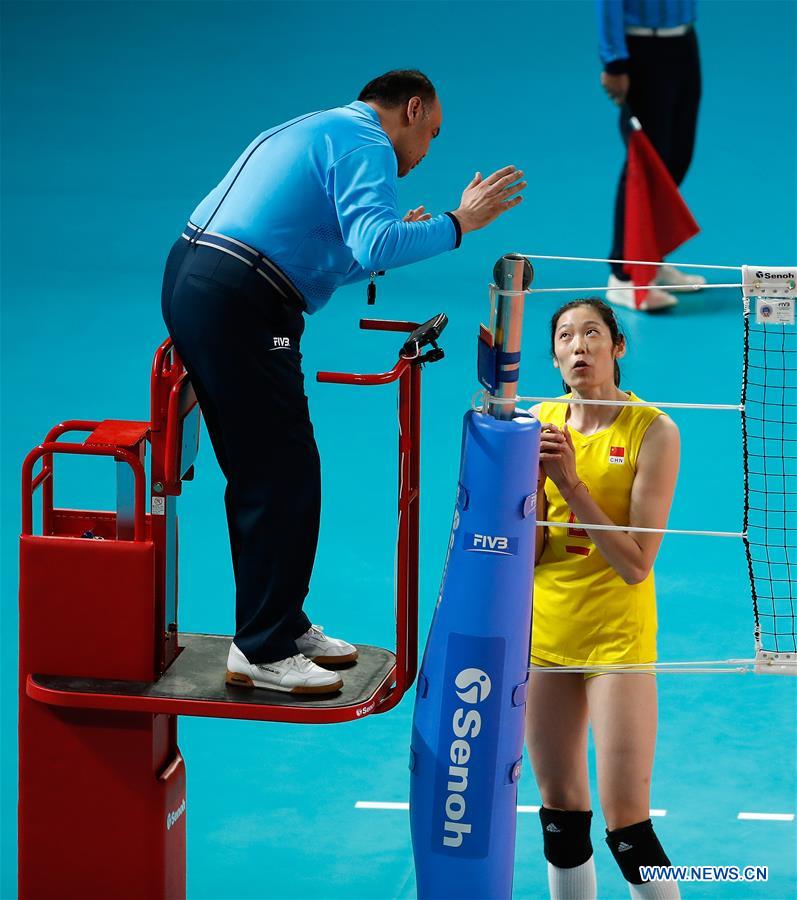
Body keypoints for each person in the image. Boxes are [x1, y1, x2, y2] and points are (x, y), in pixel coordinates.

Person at [161, 70, 526, 695]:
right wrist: (460, 222)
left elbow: (327, 256)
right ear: (410, 109)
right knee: (278, 473)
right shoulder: (367, 144)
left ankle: (279, 623)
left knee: (278, 469)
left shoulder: (321, 127)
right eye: (431, 134)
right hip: (239, 299)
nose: (426, 151)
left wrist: (403, 240)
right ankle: (262, 647)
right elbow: (374, 237)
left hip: (213, 283)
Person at [527, 299, 682, 899]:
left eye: (593, 333)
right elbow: (532, 552)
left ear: (618, 347)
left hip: (617, 640)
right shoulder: (537, 423)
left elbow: (636, 565)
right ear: (555, 357)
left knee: (629, 831)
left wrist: (570, 482)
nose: (579, 346)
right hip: (547, 635)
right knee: (561, 820)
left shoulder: (655, 431)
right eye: (565, 336)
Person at [597, 0, 705, 311]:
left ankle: (650, 262)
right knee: (643, 163)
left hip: (684, 41)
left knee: (675, 159)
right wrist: (614, 62)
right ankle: (623, 275)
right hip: (642, 49)